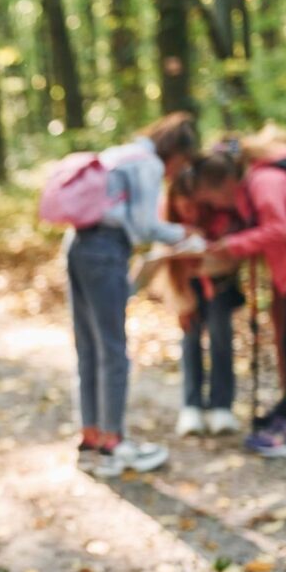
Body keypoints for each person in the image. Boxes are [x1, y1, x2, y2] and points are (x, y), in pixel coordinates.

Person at [193, 125, 286, 457]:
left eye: (213, 198)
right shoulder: (257, 181)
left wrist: (231, 246)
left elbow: (279, 229)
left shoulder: (264, 181)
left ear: (225, 182)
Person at [68, 112, 200, 477]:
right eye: (181, 164)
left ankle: (91, 440)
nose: (176, 173)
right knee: (113, 351)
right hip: (105, 251)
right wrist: (184, 235)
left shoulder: (120, 153)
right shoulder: (148, 164)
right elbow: (144, 226)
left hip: (77, 246)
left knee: (89, 347)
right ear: (175, 153)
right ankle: (113, 445)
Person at [161, 169, 244, 437]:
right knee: (189, 338)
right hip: (186, 285)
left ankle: (222, 406)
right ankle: (191, 405)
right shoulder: (167, 222)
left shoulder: (220, 217)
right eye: (182, 207)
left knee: (221, 337)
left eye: (192, 207)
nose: (188, 212)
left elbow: (233, 253)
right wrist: (181, 304)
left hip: (219, 283)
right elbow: (166, 268)